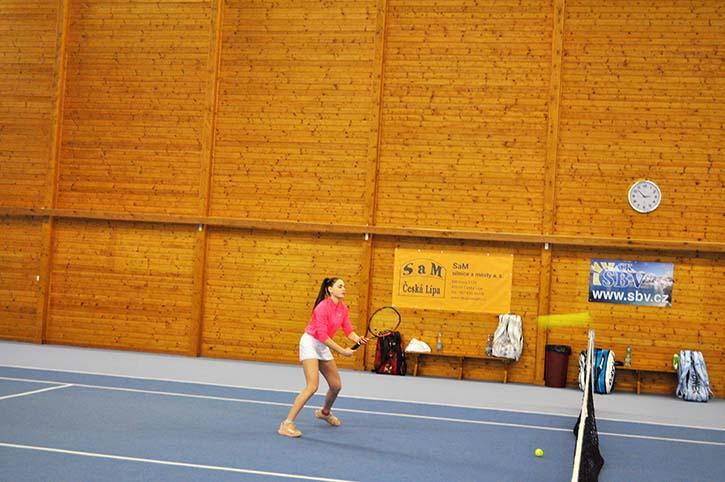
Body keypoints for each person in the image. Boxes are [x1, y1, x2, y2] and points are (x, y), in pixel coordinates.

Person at [278, 277, 368, 438]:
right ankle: (286, 424)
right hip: (311, 343)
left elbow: (348, 330)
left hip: (322, 345)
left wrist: (358, 339)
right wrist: (342, 351)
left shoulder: (343, 308)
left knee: (336, 385)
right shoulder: (322, 308)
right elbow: (322, 335)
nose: (344, 288)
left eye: (344, 286)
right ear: (330, 289)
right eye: (340, 286)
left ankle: (324, 413)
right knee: (312, 386)